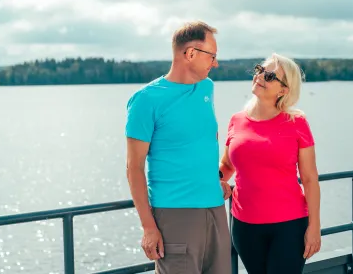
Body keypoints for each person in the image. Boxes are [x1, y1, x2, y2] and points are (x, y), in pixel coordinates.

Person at [125, 21, 232, 274]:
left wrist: (211, 180)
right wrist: (148, 227)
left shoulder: (206, 87)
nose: (215, 63)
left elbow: (196, 143)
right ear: (190, 54)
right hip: (175, 215)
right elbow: (134, 168)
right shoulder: (146, 100)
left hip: (216, 211)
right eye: (212, 56)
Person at [219, 53, 322, 273]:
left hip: (289, 226)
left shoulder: (297, 123)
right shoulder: (236, 120)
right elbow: (227, 166)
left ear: (284, 90)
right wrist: (215, 181)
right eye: (259, 70)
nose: (260, 77)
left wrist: (314, 227)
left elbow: (310, 178)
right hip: (244, 225)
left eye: (270, 76)